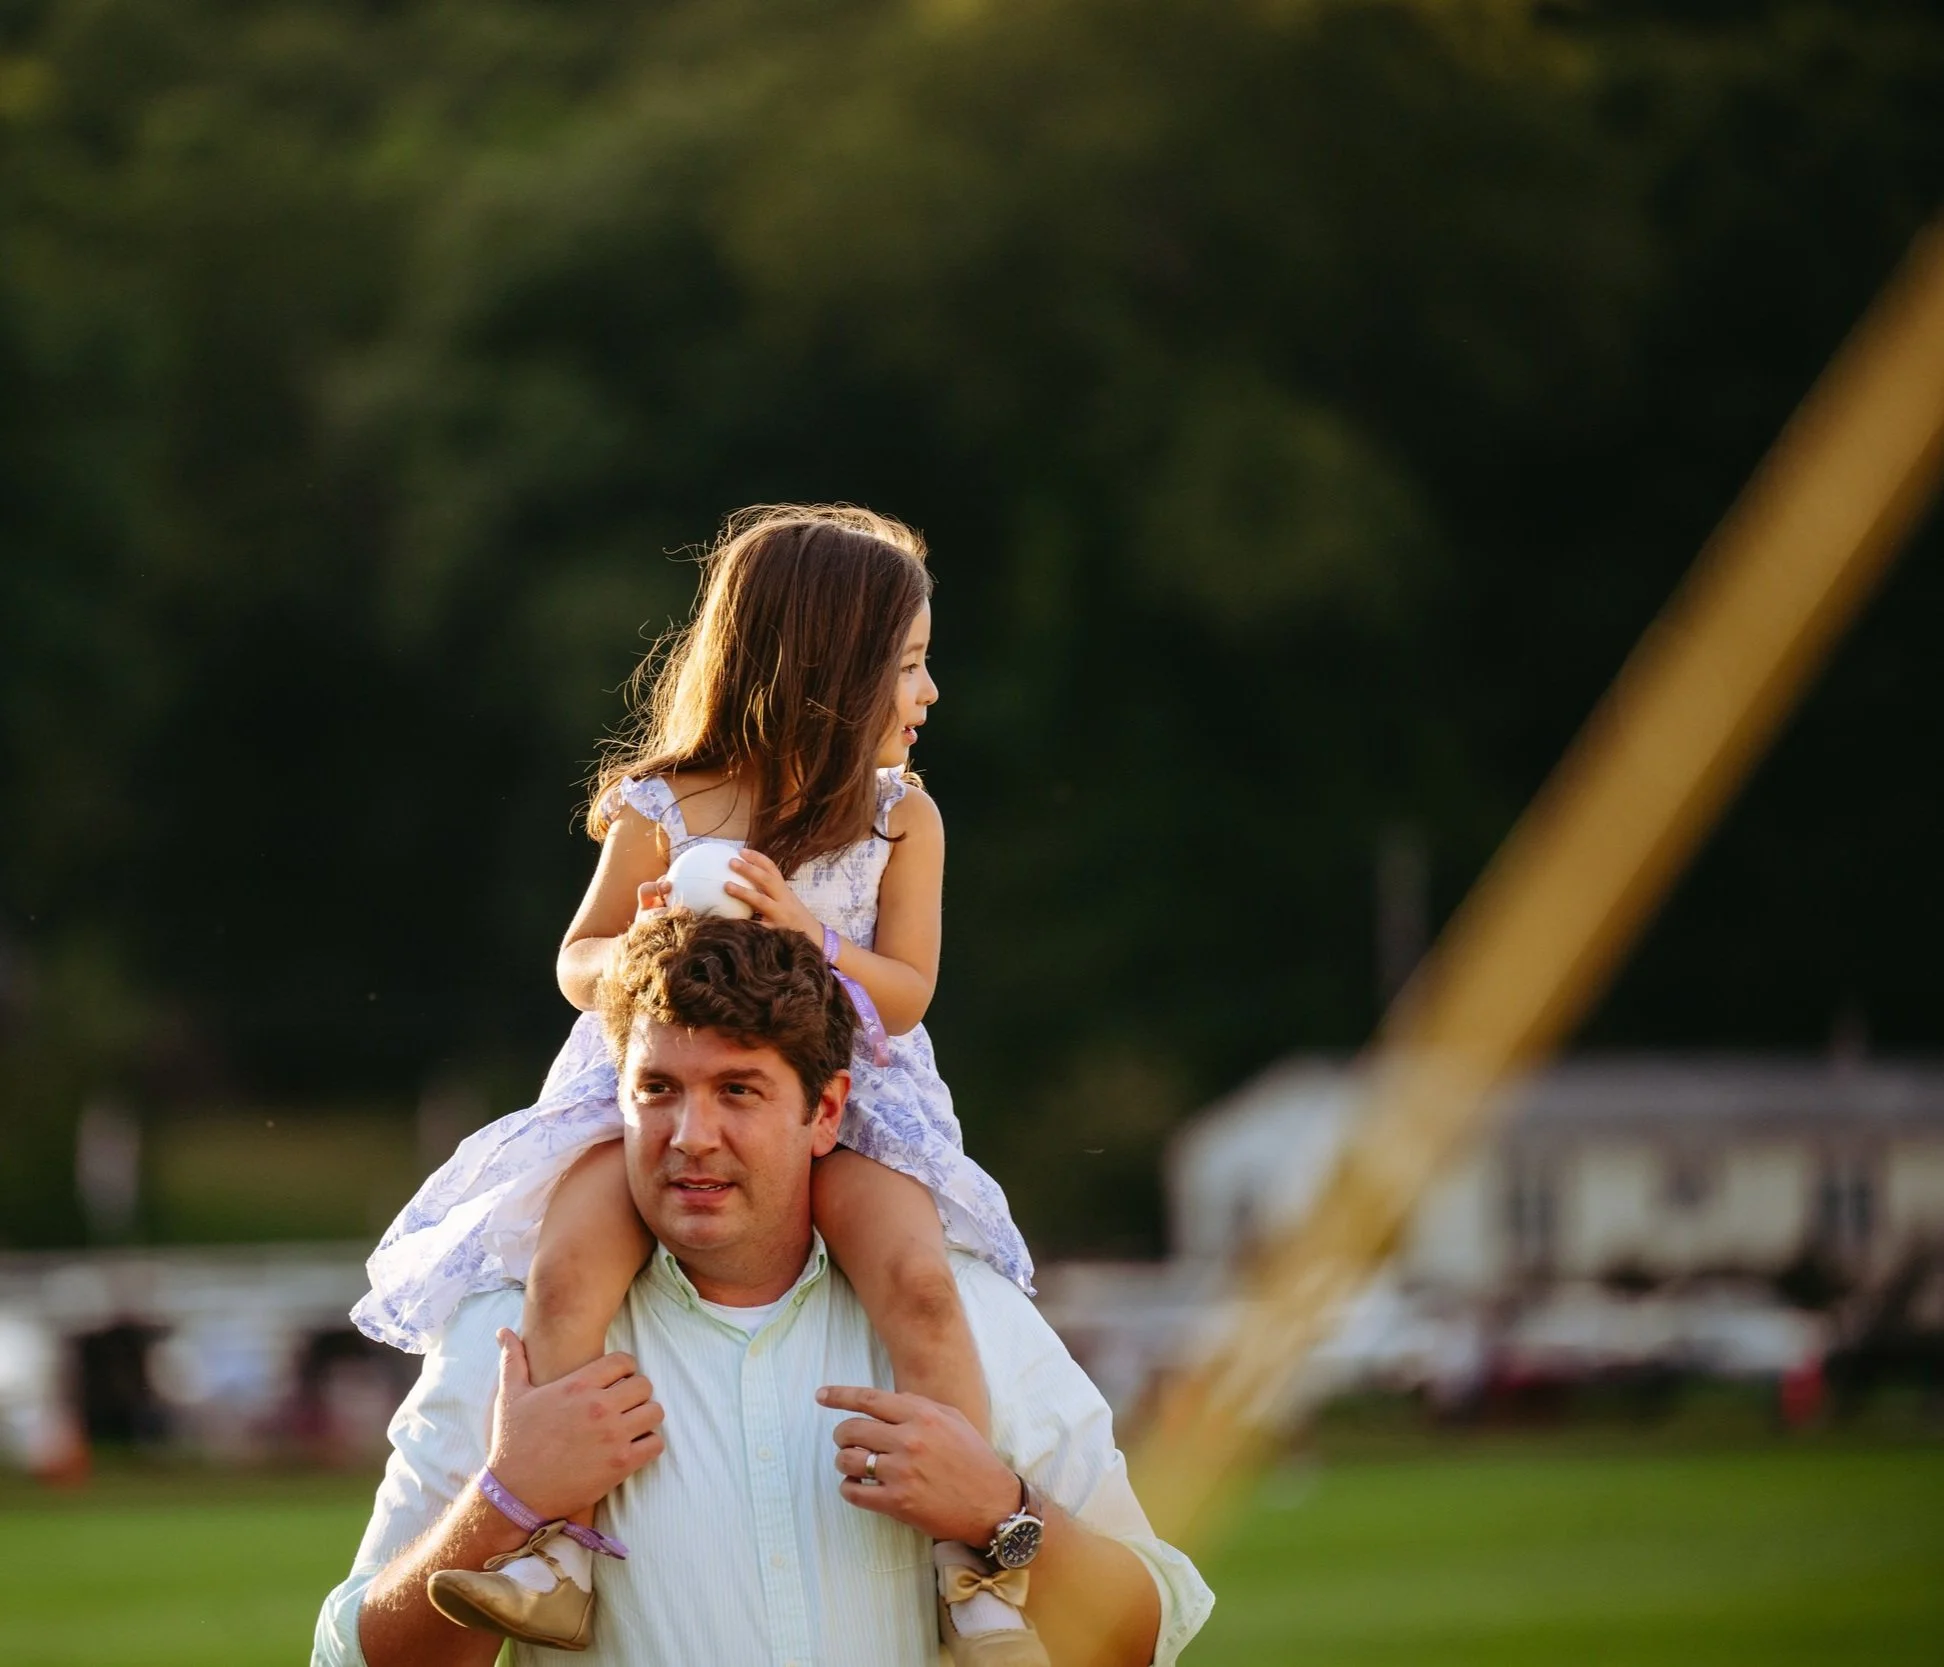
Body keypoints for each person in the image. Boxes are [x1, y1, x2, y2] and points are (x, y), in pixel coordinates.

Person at [351, 505, 1040, 1657]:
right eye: (910, 667)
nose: (928, 694)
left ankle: (970, 1570)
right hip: (659, 1088)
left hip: (853, 1101)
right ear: (827, 672)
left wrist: (807, 936)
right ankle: (553, 1547)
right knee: (567, 1269)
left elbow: (908, 991)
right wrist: (636, 948)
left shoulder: (899, 815)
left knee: (919, 1283)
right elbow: (578, 958)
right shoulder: (666, 804)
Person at [313, 912, 1213, 1667]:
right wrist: (506, 1500)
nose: (690, 1134)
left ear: (825, 1111)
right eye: (657, 1088)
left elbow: (1144, 1633)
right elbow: (348, 1656)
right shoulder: (512, 1335)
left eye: (738, 1089)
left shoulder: (961, 1313)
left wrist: (1004, 1514)